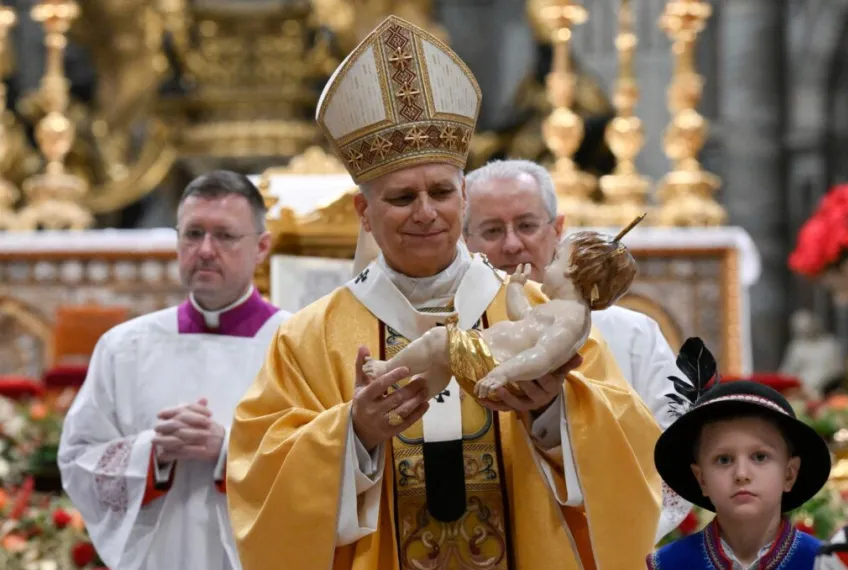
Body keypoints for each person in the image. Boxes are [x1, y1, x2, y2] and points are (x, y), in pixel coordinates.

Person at [227, 15, 663, 570]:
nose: (426, 213)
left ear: (464, 198)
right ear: (364, 211)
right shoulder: (310, 338)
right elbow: (258, 479)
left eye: (440, 192)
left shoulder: (537, 311)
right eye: (401, 198)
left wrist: (551, 410)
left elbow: (629, 449)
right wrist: (354, 433)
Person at [57, 170, 291, 570]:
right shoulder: (125, 347)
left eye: (225, 235)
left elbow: (324, 468)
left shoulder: (296, 344)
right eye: (193, 234)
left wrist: (228, 453)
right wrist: (153, 453)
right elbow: (78, 461)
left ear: (262, 247)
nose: (205, 250)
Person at [463, 158, 694, 538]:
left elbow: (678, 454)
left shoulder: (633, 334)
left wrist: (555, 419)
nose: (512, 244)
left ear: (557, 230)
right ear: (465, 241)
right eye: (491, 230)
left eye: (526, 225)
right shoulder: (453, 334)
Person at [362, 227, 639, 400]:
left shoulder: (572, 318)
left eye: (556, 259)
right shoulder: (560, 309)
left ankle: (387, 369)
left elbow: (544, 355)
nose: (548, 266)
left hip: (495, 364)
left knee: (437, 340)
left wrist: (503, 374)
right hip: (490, 357)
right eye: (492, 229)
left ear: (574, 270)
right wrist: (515, 288)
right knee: (441, 365)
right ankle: (413, 398)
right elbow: (523, 317)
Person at [647, 373, 831, 569]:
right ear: (701, 479)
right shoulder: (667, 565)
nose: (742, 474)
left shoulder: (824, 564)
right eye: (724, 460)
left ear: (789, 474)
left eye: (760, 457)